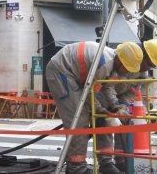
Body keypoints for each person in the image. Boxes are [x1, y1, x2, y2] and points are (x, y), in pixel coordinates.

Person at [45, 41, 144, 174]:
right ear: (120, 60)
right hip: (62, 71)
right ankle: (77, 169)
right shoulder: (104, 65)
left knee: (94, 118)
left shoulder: (113, 64)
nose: (127, 72)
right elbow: (89, 94)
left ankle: (83, 165)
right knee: (79, 120)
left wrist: (113, 108)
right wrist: (100, 110)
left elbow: (100, 91)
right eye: (126, 67)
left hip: (75, 74)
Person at [95, 39, 157, 173]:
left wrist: (123, 106)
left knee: (125, 120)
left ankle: (122, 160)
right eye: (149, 64)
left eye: (152, 66)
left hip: (118, 99)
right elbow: (108, 87)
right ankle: (105, 164)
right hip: (103, 95)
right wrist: (115, 106)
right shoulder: (126, 61)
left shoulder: (142, 74)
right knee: (104, 122)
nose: (148, 68)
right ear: (143, 55)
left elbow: (132, 92)